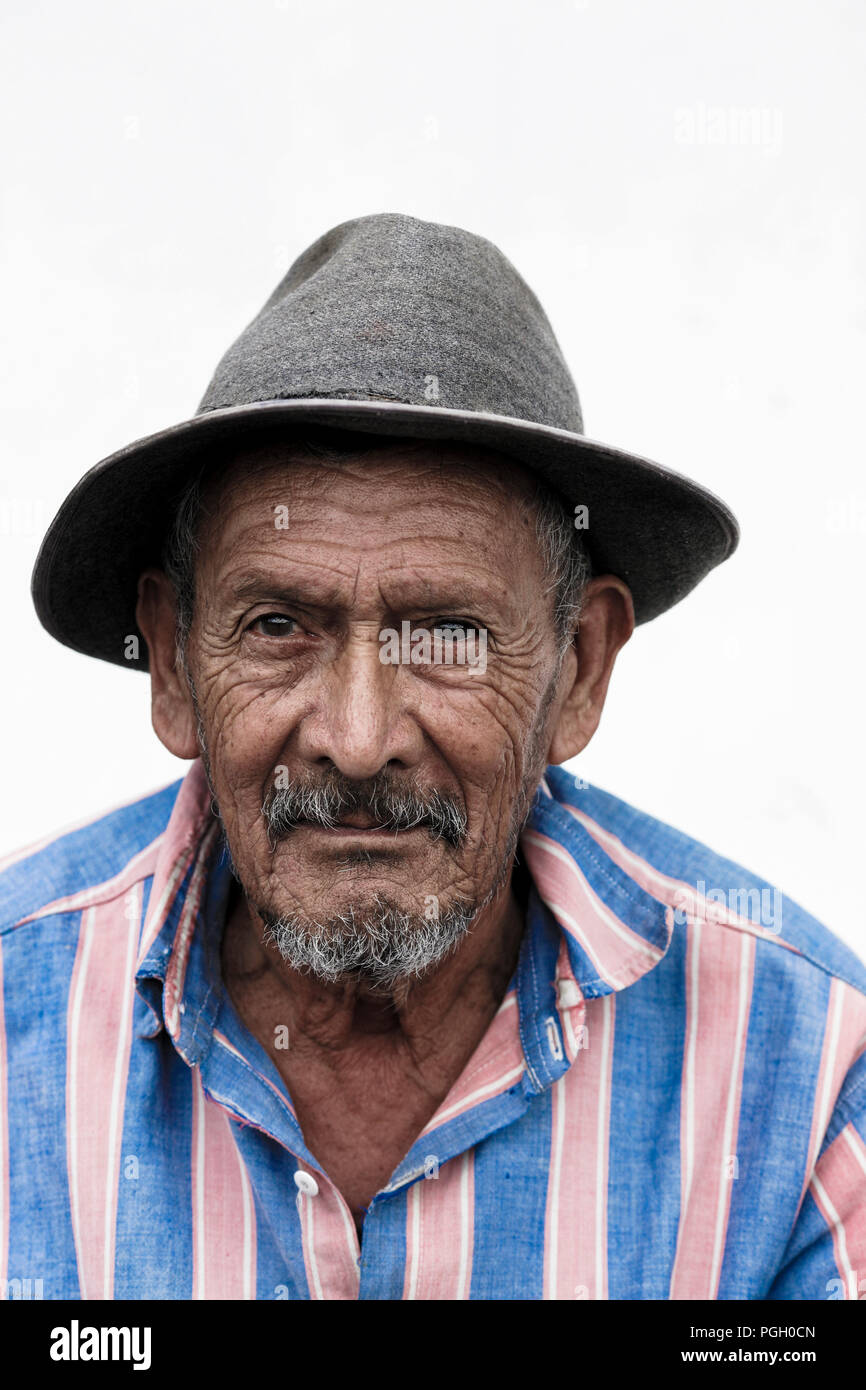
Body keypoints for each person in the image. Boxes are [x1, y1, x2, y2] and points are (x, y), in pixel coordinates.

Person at [3, 214, 863, 1301]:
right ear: (173, 663)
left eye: (448, 636)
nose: (357, 740)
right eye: (278, 625)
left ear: (579, 669)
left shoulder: (805, 1074)